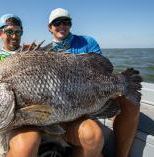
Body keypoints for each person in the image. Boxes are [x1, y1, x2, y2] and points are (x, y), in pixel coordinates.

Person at [47, 8, 140, 157]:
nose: (62, 26)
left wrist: (108, 89)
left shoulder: (87, 42)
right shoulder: (46, 54)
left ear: (70, 24)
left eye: (66, 22)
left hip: (94, 97)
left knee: (131, 102)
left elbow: (102, 69)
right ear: (50, 27)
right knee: (93, 136)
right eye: (57, 23)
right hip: (68, 107)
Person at [0, 14, 41, 157]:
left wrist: (37, 56)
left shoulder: (30, 56)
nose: (14, 36)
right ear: (0, 34)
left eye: (18, 32)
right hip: (9, 120)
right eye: (9, 32)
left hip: (36, 115)